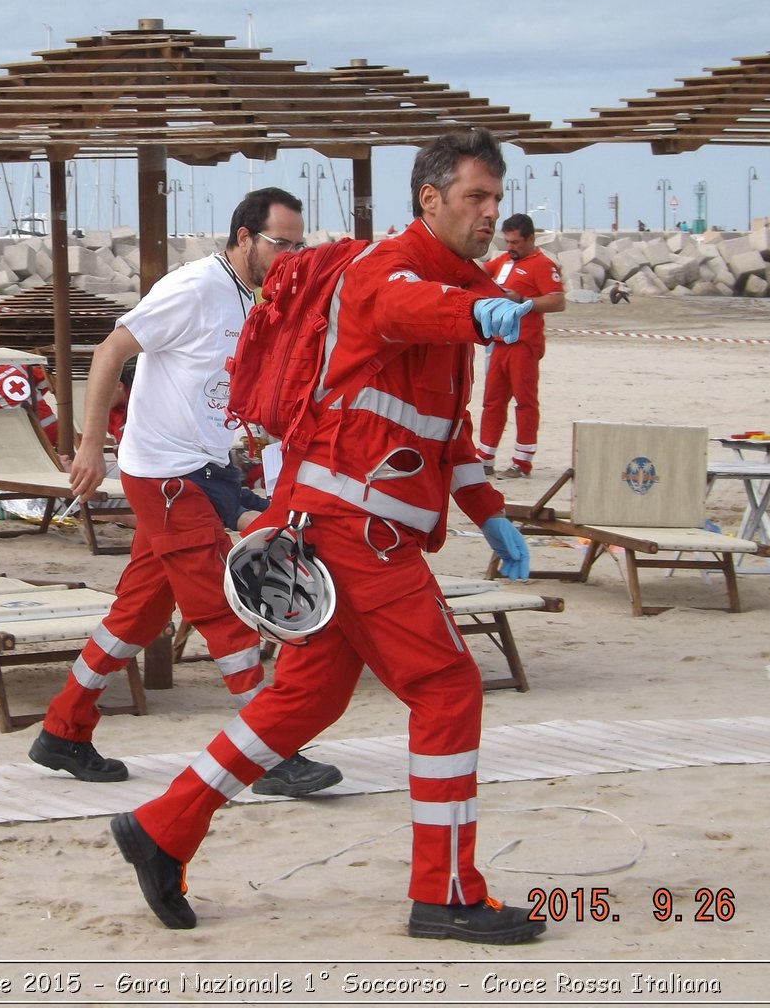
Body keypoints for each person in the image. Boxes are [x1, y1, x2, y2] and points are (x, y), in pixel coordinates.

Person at [109, 127, 542, 946]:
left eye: (496, 198)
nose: (491, 213)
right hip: (355, 531)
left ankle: (165, 825)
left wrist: (488, 510)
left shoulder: (450, 279)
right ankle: (446, 892)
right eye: (476, 197)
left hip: (328, 524)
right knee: (447, 689)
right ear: (431, 198)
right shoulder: (394, 273)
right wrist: (475, 314)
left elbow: (437, 431)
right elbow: (399, 308)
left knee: (306, 696)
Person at [29, 188, 343, 800]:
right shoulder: (195, 287)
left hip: (202, 470)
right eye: (282, 244)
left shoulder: (251, 297)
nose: (291, 256)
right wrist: (92, 446)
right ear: (245, 237)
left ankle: (63, 731)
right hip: (164, 474)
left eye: (300, 246)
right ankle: (270, 752)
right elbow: (110, 352)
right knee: (225, 610)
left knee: (138, 613)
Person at [475, 212, 566, 479]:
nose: (511, 247)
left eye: (515, 242)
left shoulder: (542, 264)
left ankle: (522, 461)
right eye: (507, 242)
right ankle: (485, 457)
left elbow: (558, 301)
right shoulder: (502, 261)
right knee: (492, 402)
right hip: (499, 343)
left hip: (524, 344)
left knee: (525, 402)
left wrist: (522, 301)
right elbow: (479, 274)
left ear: (529, 239)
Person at [0, 362, 60, 447]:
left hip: (26, 441)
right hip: (54, 430)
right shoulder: (19, 368)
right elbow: (47, 381)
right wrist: (30, 396)